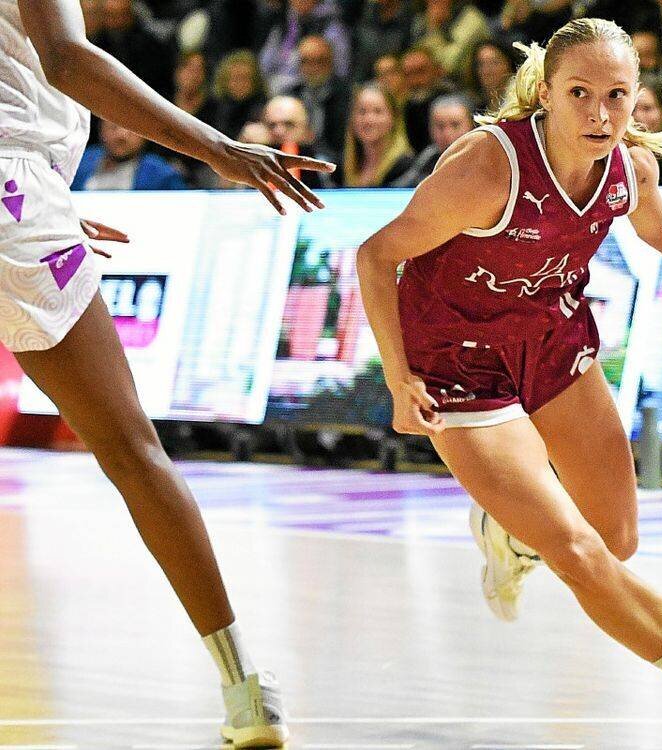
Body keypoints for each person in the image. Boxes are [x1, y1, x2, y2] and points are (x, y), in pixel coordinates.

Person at [356, 18, 662, 750]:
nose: (599, 113)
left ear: (638, 97)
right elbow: (374, 256)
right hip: (458, 362)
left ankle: (507, 528)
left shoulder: (629, 169)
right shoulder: (486, 170)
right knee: (578, 551)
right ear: (545, 93)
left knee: (614, 539)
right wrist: (399, 380)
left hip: (551, 336)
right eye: (579, 93)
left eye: (616, 95)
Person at [1, 0, 333, 746]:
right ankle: (245, 689)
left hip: (21, 193)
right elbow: (67, 60)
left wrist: (43, 204)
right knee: (131, 450)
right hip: (14, 191)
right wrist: (220, 147)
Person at [72, 119, 189, 190]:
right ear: (101, 129)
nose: (122, 135)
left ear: (144, 135)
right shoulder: (76, 163)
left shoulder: (163, 176)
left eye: (131, 129)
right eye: (113, 127)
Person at [339, 82, 414, 186]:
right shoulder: (340, 169)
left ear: (394, 118)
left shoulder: (407, 169)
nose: (369, 120)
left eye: (377, 112)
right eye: (362, 111)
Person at [393, 93, 473, 187]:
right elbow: (399, 189)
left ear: (472, 126)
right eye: (440, 126)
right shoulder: (428, 158)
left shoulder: (485, 158)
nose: (447, 134)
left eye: (455, 125)